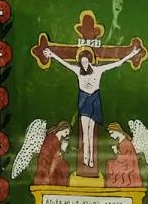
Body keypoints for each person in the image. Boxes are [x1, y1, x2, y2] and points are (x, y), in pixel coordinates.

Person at [44, 46, 141, 174]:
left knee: (91, 133)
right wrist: (51, 54)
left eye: (86, 62)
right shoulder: (78, 71)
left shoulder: (98, 70)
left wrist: (131, 54)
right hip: (84, 101)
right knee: (85, 133)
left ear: (89, 61)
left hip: (94, 100)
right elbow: (65, 63)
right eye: (82, 62)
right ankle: (85, 157)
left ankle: (91, 159)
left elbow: (116, 64)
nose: (84, 64)